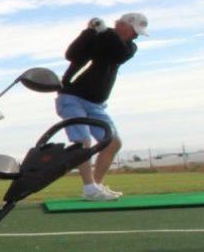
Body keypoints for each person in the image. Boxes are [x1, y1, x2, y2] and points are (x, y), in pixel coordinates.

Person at [56, 12, 148, 201]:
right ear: (122, 25)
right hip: (72, 97)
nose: (135, 35)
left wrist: (105, 30)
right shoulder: (96, 36)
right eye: (134, 31)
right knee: (82, 142)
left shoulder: (128, 47)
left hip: (96, 104)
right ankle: (90, 188)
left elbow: (119, 52)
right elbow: (71, 55)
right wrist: (90, 32)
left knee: (113, 143)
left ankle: (94, 187)